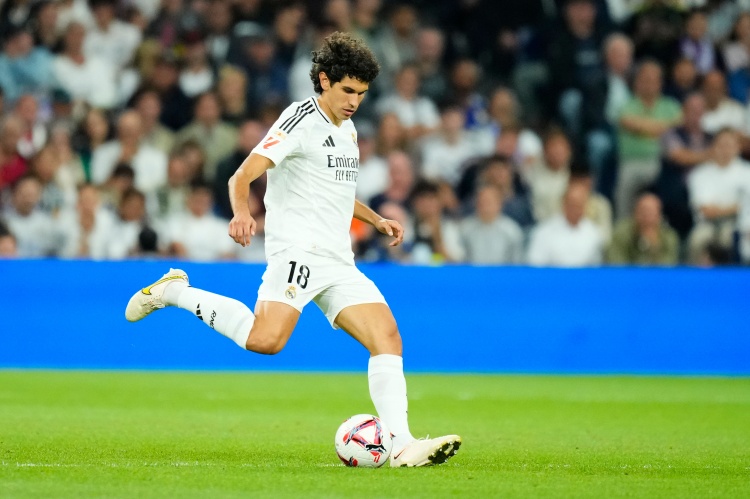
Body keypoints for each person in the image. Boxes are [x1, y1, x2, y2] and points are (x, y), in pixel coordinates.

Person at [124, 31, 460, 468]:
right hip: (298, 253)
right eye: (348, 91)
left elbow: (334, 192)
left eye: (362, 93)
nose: (355, 102)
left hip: (338, 259)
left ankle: (401, 445)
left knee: (387, 337)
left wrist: (375, 219)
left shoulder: (349, 130)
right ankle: (174, 291)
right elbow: (241, 176)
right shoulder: (299, 119)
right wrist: (241, 213)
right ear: (324, 80)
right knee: (266, 341)